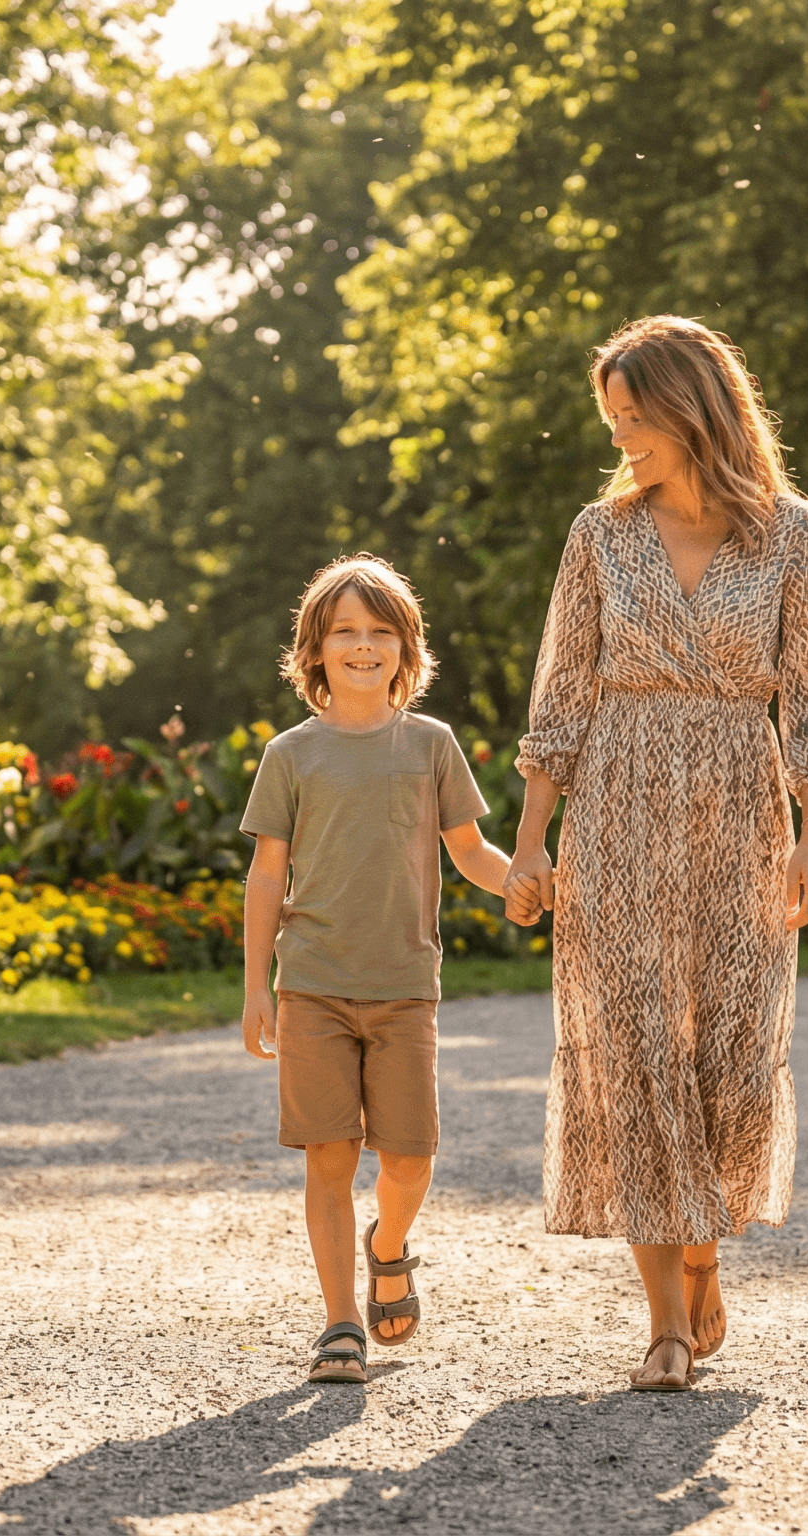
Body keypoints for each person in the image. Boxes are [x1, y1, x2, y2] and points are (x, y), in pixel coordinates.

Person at [502, 315, 808, 1392]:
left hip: (740, 811)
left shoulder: (791, 535)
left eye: (634, 421)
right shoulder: (598, 536)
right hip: (615, 806)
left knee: (735, 1064)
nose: (621, 444)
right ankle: (661, 1322)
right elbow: (560, 695)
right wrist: (530, 843)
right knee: (635, 1056)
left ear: (692, 413)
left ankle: (703, 1244)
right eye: (611, 423)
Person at [239, 554, 528, 1385]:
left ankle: (389, 1245)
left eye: (380, 632)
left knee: (408, 1159)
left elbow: (469, 851)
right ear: (314, 652)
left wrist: (524, 883)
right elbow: (267, 875)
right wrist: (257, 988)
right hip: (314, 986)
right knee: (328, 1156)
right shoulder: (290, 755)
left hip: (405, 987)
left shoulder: (431, 744)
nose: (363, 646)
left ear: (407, 648)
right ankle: (338, 1325)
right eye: (345, 633)